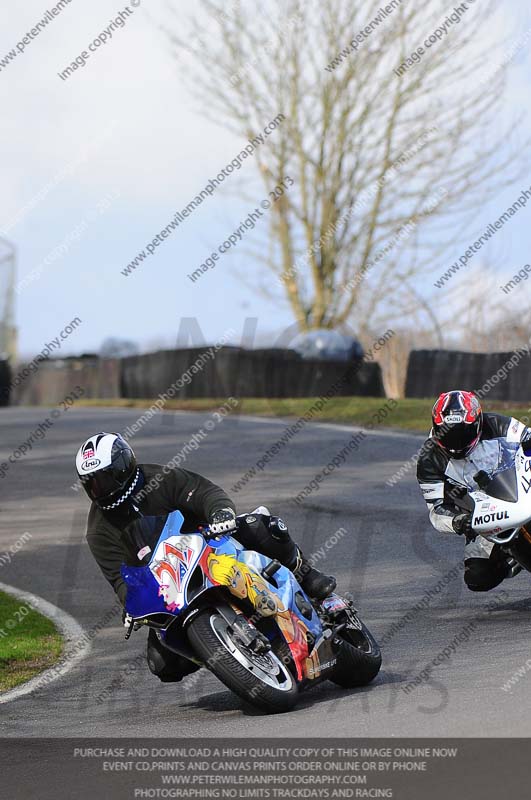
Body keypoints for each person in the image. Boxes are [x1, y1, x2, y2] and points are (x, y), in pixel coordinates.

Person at [76, 431, 336, 682]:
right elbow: (119, 580)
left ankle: (308, 575)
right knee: (161, 662)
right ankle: (229, 656)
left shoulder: (158, 479)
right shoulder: (98, 531)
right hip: (169, 585)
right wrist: (132, 606)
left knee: (260, 526)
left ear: (123, 467)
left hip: (212, 544)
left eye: (105, 479)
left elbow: (204, 493)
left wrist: (220, 513)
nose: (100, 490)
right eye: (91, 484)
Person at [417, 390, 531, 592]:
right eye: (449, 434)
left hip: (520, 490)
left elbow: (528, 441)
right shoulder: (429, 459)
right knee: (477, 578)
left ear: (477, 423)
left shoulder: (500, 425)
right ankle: (512, 562)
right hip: (483, 517)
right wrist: (459, 521)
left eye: (462, 434)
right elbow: (437, 509)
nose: (456, 442)